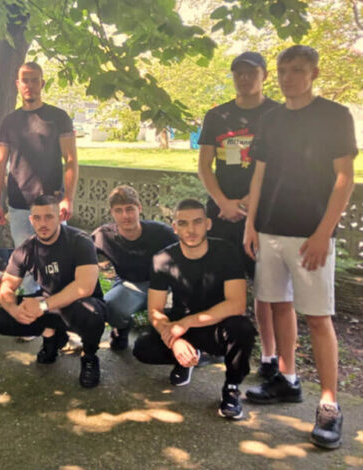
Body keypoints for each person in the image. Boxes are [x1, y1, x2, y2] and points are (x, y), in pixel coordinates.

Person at [243, 45, 356, 450]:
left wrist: (324, 232)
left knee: (319, 318)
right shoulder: (271, 119)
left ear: (314, 73)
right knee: (277, 305)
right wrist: (251, 225)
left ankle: (329, 405)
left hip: (311, 236)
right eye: (282, 71)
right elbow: (259, 175)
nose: (288, 78)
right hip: (269, 230)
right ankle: (288, 379)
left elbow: (344, 177)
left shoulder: (334, 116)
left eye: (297, 70)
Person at [197, 51, 286, 380]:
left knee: (266, 288)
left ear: (264, 75)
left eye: (251, 73)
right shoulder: (217, 115)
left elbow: (282, 167)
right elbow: (204, 165)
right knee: (215, 282)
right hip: (221, 212)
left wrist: (248, 203)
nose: (244, 79)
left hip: (263, 215)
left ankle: (270, 356)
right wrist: (224, 202)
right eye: (238, 73)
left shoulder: (278, 115)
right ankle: (211, 344)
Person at [133, 198, 255, 420]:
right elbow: (155, 310)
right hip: (183, 325)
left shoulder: (226, 251)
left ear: (208, 224)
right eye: (183, 223)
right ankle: (187, 358)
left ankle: (231, 388)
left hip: (217, 324)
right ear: (175, 227)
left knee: (242, 329)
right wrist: (174, 341)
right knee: (143, 346)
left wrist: (185, 323)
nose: (191, 230)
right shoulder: (163, 259)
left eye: (197, 222)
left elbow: (236, 304)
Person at [0, 195, 107, 388]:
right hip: (49, 306)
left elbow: (85, 286)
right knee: (0, 318)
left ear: (60, 217)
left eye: (49, 217)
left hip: (81, 304)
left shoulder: (80, 241)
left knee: (92, 314)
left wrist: (42, 306)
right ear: (31, 220)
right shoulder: (26, 249)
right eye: (37, 218)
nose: (43, 224)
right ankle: (51, 337)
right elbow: (6, 287)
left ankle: (89, 357)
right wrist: (14, 310)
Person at [0, 62, 78, 296]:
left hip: (52, 204)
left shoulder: (59, 118)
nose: (29, 85)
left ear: (42, 83)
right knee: (26, 263)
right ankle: (33, 309)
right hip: (19, 205)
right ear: (18, 84)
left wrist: (68, 199)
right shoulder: (9, 122)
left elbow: (71, 159)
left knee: (57, 260)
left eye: (34, 80)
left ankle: (58, 307)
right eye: (25, 80)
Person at [91, 185, 176, 350]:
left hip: (164, 284)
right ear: (112, 212)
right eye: (119, 210)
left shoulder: (162, 233)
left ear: (139, 208)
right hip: (130, 284)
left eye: (130, 209)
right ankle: (122, 327)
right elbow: (82, 258)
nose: (125, 216)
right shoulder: (103, 236)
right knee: (108, 307)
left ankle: (163, 324)